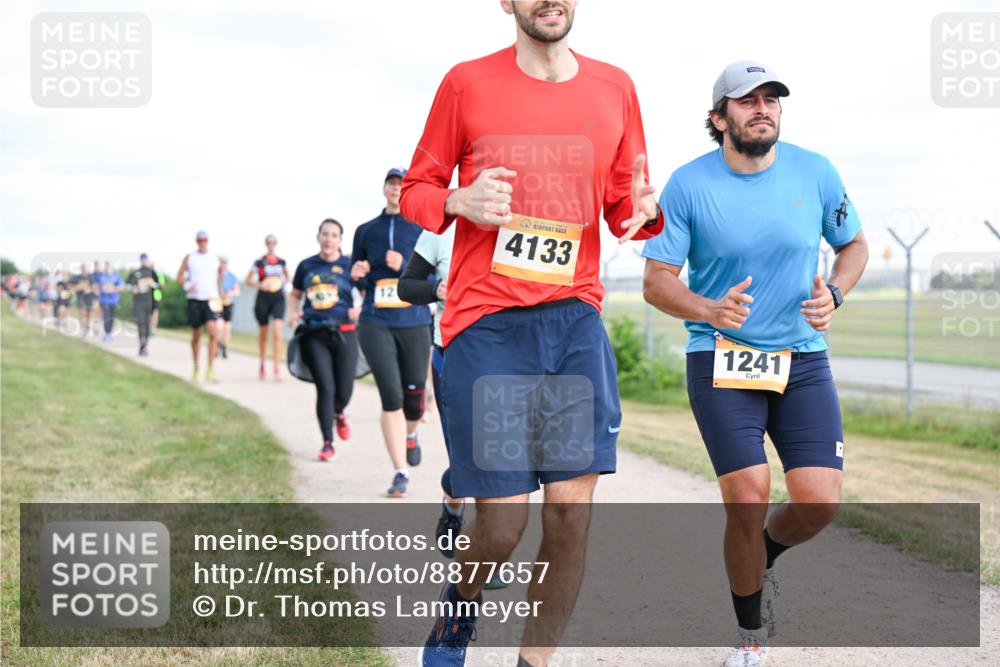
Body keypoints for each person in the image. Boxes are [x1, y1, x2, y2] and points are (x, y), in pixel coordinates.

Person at [400, 1, 663, 664]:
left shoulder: (616, 87)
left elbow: (624, 205)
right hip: (487, 325)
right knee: (504, 520)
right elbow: (416, 191)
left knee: (571, 518)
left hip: (574, 321)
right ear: (508, 4)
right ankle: (460, 608)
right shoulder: (466, 83)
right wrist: (457, 200)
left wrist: (644, 214)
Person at [641, 61, 869, 666]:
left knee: (819, 502)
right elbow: (656, 282)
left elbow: (853, 245)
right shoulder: (688, 185)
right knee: (748, 493)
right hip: (721, 357)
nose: (762, 108)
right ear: (719, 119)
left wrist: (836, 292)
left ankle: (760, 553)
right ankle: (749, 638)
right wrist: (708, 309)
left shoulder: (815, 171)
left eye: (771, 98)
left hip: (801, 358)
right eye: (746, 101)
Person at [352, 167, 433, 498]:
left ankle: (411, 434)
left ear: (408, 189)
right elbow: (356, 275)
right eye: (391, 183)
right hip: (376, 320)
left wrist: (404, 267)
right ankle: (400, 471)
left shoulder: (422, 229)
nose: (395, 189)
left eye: (401, 184)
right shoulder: (365, 230)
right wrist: (356, 273)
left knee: (415, 402)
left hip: (413, 321)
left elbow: (434, 282)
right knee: (391, 395)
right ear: (384, 188)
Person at [397, 226, 466, 553]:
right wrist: (438, 287)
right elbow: (407, 286)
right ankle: (453, 509)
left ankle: (489, 551)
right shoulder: (442, 230)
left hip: (505, 357)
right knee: (466, 463)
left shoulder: (515, 222)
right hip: (450, 355)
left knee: (498, 459)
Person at [287, 219, 359, 462]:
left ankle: (339, 412)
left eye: (334, 235)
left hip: (345, 332)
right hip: (314, 333)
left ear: (340, 240)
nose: (329, 239)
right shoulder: (306, 266)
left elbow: (367, 293)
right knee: (325, 387)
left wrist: (359, 311)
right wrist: (293, 312)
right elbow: (295, 294)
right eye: (325, 234)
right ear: (318, 237)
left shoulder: (350, 265)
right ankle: (327, 442)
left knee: (344, 390)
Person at [176, 230, 223, 383]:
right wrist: (188, 285)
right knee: (196, 334)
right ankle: (196, 367)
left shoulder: (215, 258)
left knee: (213, 332)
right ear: (197, 241)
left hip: (211, 299)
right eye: (200, 240)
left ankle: (210, 368)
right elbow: (179, 277)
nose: (202, 242)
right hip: (195, 299)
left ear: (208, 241)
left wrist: (219, 291)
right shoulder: (190, 258)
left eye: (205, 239)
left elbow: (221, 275)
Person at [247, 235, 290, 380]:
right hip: (263, 298)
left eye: (273, 242)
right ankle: (262, 364)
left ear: (276, 244)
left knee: (278, 332)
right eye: (269, 242)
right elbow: (248, 279)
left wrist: (283, 284)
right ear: (266, 244)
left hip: (278, 297)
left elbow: (288, 278)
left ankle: (277, 367)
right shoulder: (259, 262)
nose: (271, 245)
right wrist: (260, 285)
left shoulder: (282, 262)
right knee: (264, 332)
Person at [127, 253, 158, 356]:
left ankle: (145, 346)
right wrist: (132, 288)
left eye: (146, 259)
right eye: (142, 260)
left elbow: (159, 285)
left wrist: (152, 284)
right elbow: (127, 285)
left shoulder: (152, 272)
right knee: (140, 323)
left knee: (147, 324)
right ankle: (142, 344)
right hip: (138, 302)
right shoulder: (135, 272)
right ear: (140, 260)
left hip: (148, 302)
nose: (144, 261)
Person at [94, 261, 123, 342]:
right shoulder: (101, 276)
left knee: (111, 317)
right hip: (104, 300)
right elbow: (96, 286)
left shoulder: (116, 276)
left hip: (114, 300)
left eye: (108, 265)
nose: (107, 267)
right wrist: (99, 291)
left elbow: (121, 286)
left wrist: (113, 288)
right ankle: (107, 333)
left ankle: (109, 333)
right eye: (106, 265)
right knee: (106, 316)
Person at [218, 256, 241, 360]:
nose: (223, 265)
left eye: (225, 263)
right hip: (218, 304)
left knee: (227, 328)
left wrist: (230, 294)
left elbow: (237, 291)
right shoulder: (216, 276)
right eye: (222, 263)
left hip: (229, 304)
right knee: (219, 326)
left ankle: (224, 347)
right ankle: (217, 344)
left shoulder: (231, 276)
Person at [72, 264, 97, 336]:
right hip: (81, 297)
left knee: (91, 313)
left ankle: (90, 328)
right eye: (82, 268)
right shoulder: (76, 278)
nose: (83, 270)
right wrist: (78, 287)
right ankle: (83, 329)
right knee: (83, 313)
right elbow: (73, 287)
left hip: (90, 296)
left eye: (84, 268)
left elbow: (94, 287)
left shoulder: (90, 277)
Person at [150, 262, 165, 336]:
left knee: (154, 314)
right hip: (147, 297)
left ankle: (153, 331)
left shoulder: (159, 274)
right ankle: (148, 329)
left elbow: (162, 285)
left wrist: (154, 284)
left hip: (155, 297)